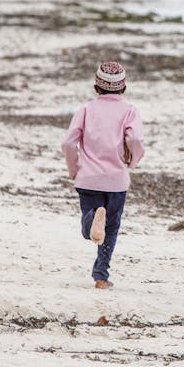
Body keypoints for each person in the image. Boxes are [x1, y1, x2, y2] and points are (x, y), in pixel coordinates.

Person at [61, 62, 144, 289]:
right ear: (123, 87)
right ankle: (101, 275)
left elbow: (68, 142)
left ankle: (92, 219)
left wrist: (74, 168)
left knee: (90, 226)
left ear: (97, 87)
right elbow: (135, 139)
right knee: (111, 227)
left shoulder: (86, 109)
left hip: (88, 177)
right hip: (116, 179)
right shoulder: (129, 111)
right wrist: (133, 161)